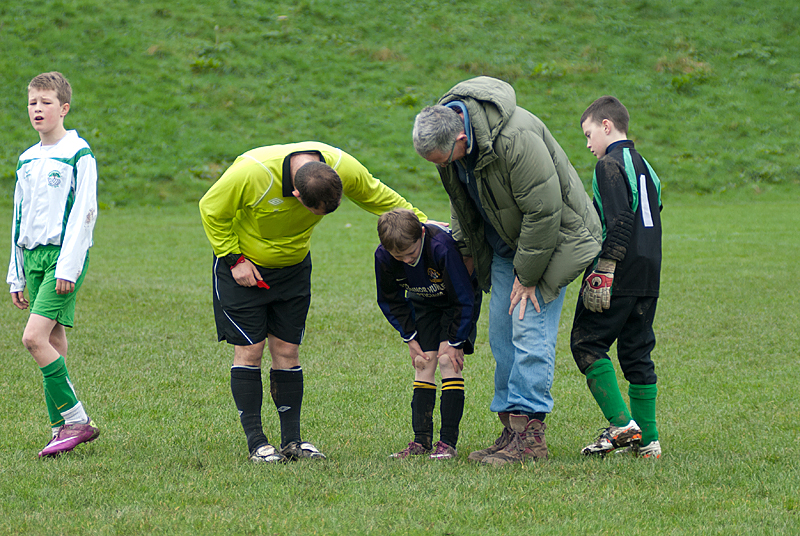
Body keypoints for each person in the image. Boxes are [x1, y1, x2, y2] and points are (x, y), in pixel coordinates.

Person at [412, 76, 602, 466]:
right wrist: (464, 251)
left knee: (530, 331)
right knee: (501, 333)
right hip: (504, 245)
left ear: (461, 138)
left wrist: (528, 275)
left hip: (553, 243)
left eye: (444, 161)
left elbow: (544, 211)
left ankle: (530, 439)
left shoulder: (515, 138)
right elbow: (461, 204)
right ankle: (509, 431)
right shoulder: (450, 146)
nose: (443, 168)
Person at [199, 141, 428, 463]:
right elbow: (211, 209)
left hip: (293, 269)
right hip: (243, 267)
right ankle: (258, 444)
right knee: (250, 350)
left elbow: (379, 197)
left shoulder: (341, 165)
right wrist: (234, 258)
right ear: (295, 195)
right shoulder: (252, 173)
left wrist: (425, 226)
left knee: (287, 351)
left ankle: (293, 442)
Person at [7, 72, 100, 458]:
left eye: (46, 102)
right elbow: (17, 217)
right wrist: (15, 273)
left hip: (63, 256)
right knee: (54, 343)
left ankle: (78, 420)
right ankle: (60, 428)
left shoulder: (79, 154)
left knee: (33, 339)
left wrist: (68, 267)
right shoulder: (27, 159)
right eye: (32, 103)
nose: (37, 109)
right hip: (32, 258)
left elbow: (85, 213)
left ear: (63, 108)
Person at [571, 96, 663, 459]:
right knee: (637, 352)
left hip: (619, 270)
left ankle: (623, 424)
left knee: (586, 343)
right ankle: (649, 441)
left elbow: (621, 220)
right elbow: (650, 216)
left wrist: (605, 268)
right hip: (650, 271)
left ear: (606, 126)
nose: (589, 144)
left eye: (589, 133)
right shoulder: (648, 167)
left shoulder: (608, 165)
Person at [375, 209, 481, 461]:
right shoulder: (383, 257)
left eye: (411, 254)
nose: (407, 261)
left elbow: (464, 298)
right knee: (423, 362)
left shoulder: (441, 248)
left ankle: (447, 443)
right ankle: (421, 441)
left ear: (421, 234)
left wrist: (456, 342)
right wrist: (410, 337)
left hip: (456, 303)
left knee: (447, 361)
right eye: (398, 257)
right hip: (423, 303)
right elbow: (390, 300)